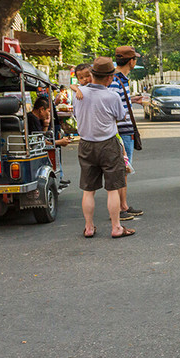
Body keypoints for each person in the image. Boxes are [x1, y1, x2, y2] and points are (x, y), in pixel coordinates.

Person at [74, 57, 135, 239]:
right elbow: (121, 116)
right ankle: (116, 227)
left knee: (88, 190)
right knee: (112, 188)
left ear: (92, 75)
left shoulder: (79, 94)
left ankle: (89, 227)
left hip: (86, 144)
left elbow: (76, 115)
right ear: (109, 78)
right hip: (108, 144)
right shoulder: (112, 96)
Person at [108, 46, 144, 221]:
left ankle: (123, 205)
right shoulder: (116, 80)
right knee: (122, 170)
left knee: (124, 170)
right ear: (131, 61)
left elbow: (118, 101)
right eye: (134, 58)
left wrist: (132, 100)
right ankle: (120, 208)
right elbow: (112, 106)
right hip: (121, 131)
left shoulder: (120, 79)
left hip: (124, 130)